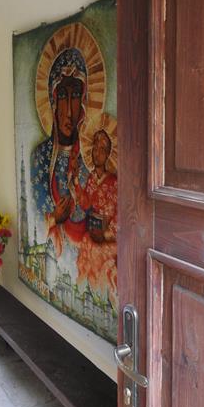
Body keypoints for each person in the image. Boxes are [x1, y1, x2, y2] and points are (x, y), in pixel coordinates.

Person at [31, 48, 89, 256]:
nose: (70, 111)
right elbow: (36, 220)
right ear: (53, 101)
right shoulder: (40, 157)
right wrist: (54, 217)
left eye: (76, 96)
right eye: (63, 96)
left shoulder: (90, 157)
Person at [73, 122, 117, 307]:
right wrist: (76, 181)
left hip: (109, 238)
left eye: (102, 150)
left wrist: (106, 235)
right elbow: (86, 203)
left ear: (108, 154)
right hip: (93, 233)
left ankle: (101, 301)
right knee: (86, 243)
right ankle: (85, 296)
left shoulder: (114, 182)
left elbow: (119, 215)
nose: (97, 153)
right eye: (95, 149)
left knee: (98, 254)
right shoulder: (91, 178)